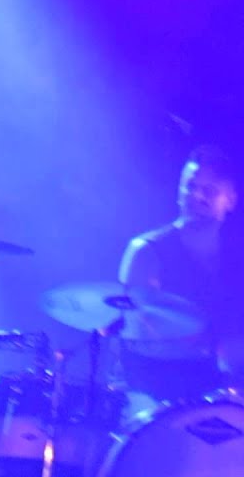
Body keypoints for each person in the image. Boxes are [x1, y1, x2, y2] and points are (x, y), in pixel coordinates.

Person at [117, 143, 242, 409]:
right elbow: (136, 335)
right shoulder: (147, 251)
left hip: (217, 392)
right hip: (155, 394)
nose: (196, 195)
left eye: (209, 190)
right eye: (190, 186)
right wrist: (205, 343)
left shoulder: (235, 261)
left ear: (230, 200)